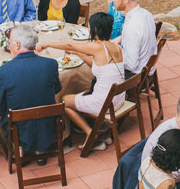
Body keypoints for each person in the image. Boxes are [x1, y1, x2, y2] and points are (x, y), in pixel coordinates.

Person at [36, 12, 124, 151]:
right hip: (118, 99)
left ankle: (90, 133)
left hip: (106, 103)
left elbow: (70, 44)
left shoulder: (97, 47)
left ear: (95, 29)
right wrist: (78, 54)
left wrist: (47, 44)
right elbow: (97, 64)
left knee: (63, 100)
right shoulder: (116, 47)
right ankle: (100, 131)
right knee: (82, 92)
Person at [0, 24, 61, 162]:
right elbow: (57, 89)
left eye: (10, 42)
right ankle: (41, 151)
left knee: (11, 111)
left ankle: (20, 150)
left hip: (18, 128)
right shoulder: (51, 64)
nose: (9, 46)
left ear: (17, 44)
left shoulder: (3, 71)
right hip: (47, 124)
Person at [111, 0, 156, 78]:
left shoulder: (132, 28)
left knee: (99, 67)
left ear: (126, 0)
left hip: (135, 75)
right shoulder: (146, 14)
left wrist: (113, 51)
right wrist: (120, 38)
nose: (113, 0)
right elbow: (138, 38)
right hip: (148, 66)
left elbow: (131, 65)